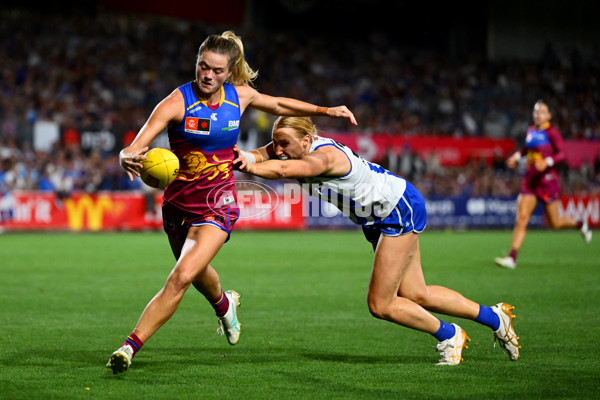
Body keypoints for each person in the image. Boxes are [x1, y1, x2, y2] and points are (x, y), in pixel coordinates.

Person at [106, 31, 357, 374]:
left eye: (217, 70)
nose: (208, 75)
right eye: (203, 67)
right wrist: (125, 156)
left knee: (180, 277)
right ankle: (225, 305)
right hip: (178, 203)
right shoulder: (175, 103)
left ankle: (128, 347)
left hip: (218, 202)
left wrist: (328, 110)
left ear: (230, 71)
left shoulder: (240, 96)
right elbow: (134, 147)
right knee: (195, 274)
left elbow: (281, 105)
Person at [235, 116, 520, 365]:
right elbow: (265, 153)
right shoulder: (293, 145)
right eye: (276, 143)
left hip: (395, 208)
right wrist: (242, 155)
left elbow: (283, 171)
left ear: (306, 139)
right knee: (416, 293)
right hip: (381, 215)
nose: (279, 150)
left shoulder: (324, 158)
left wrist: (246, 167)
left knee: (381, 304)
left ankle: (450, 335)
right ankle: (495, 318)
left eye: (284, 144)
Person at [494, 100, 592, 270]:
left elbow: (562, 153)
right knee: (522, 218)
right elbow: (526, 149)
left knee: (554, 223)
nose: (538, 114)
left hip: (547, 181)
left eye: (542, 112)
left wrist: (547, 162)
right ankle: (512, 257)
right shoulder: (531, 131)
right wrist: (516, 157)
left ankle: (580, 224)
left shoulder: (552, 132)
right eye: (536, 112)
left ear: (548, 116)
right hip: (530, 182)